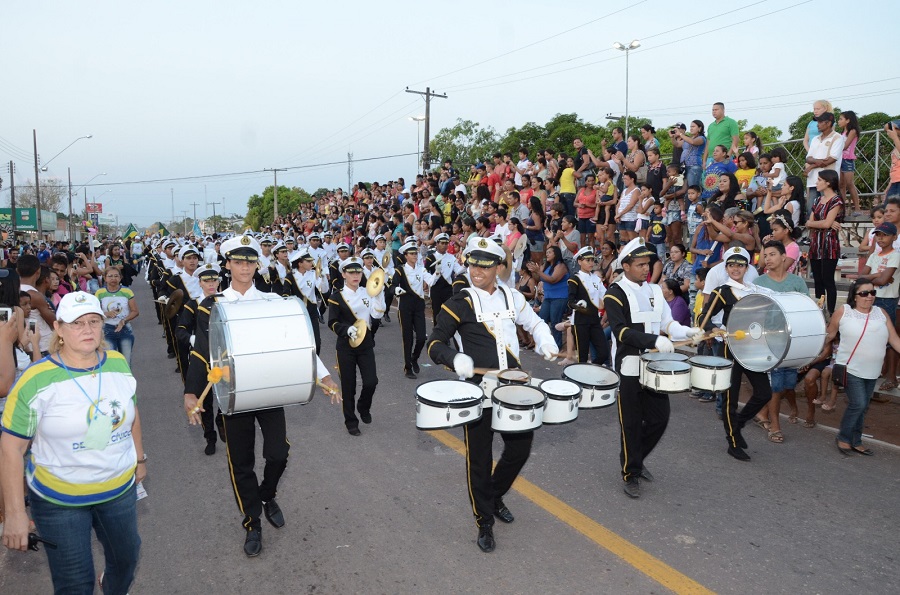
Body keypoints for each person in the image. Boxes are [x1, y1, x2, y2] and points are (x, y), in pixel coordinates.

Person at [183, 235, 339, 557]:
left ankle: (267, 494)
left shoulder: (271, 300)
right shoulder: (211, 305)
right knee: (242, 462)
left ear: (257, 264)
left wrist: (321, 373)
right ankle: (252, 522)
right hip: (231, 395)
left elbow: (293, 341)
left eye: (250, 261)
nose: (244, 267)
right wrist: (191, 392)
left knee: (278, 454)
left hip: (268, 390)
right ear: (227, 264)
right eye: (238, 261)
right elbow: (201, 355)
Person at [1, 291, 145, 594]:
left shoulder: (117, 363)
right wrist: (15, 513)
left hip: (118, 490)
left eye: (94, 321)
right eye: (77, 323)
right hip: (59, 501)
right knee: (75, 584)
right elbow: (11, 448)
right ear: (59, 329)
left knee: (127, 560)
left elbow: (131, 411)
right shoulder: (35, 379)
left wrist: (140, 458)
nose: (88, 329)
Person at [426, 235, 557, 553]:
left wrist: (546, 340)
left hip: (512, 389)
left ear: (499, 267)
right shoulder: (460, 302)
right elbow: (435, 343)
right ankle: (484, 521)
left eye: (484, 266)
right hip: (477, 393)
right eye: (472, 264)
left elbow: (536, 323)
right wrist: (453, 358)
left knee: (520, 449)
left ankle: (494, 495)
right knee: (479, 460)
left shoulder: (513, 298)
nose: (476, 271)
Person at [603, 238, 702, 498]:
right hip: (629, 366)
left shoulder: (656, 291)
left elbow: (668, 323)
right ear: (625, 266)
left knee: (660, 418)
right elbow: (621, 332)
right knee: (632, 424)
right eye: (639, 265)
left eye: (647, 263)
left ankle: (636, 457)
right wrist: (653, 340)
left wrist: (689, 331)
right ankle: (630, 472)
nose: (645, 269)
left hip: (655, 366)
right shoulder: (614, 293)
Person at [698, 247, 773, 461]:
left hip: (751, 348)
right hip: (730, 348)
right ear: (726, 267)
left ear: (746, 267)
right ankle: (733, 440)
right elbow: (704, 317)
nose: (735, 269)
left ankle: (739, 422)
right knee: (730, 397)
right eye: (731, 265)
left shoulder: (754, 290)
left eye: (740, 265)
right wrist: (713, 329)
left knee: (764, 392)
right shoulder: (722, 291)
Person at [824, 279, 900, 456]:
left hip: (872, 370)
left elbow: (894, 339)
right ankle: (843, 437)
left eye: (872, 293)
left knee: (863, 406)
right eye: (864, 293)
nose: (869, 297)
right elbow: (829, 335)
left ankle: (856, 441)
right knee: (858, 404)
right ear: (855, 296)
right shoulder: (844, 311)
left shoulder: (881, 313)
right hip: (850, 368)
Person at [751, 241, 811, 444]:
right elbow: (754, 315)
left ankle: (761, 412)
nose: (767, 258)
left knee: (788, 385)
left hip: (793, 342)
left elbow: (806, 312)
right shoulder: (758, 283)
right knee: (776, 387)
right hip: (769, 341)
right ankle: (775, 426)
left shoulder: (797, 283)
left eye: (772, 254)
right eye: (765, 255)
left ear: (784, 257)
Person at [327, 256, 385, 436]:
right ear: (343, 274)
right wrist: (346, 330)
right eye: (351, 272)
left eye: (358, 271)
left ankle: (363, 406)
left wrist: (379, 293)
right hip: (345, 346)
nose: (355, 275)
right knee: (349, 385)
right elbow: (332, 322)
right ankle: (351, 420)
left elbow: (376, 316)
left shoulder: (367, 292)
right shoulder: (337, 297)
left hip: (365, 344)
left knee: (371, 381)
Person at [175, 262, 224, 455]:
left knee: (228, 392)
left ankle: (222, 419)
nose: (211, 284)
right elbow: (180, 331)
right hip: (202, 359)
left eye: (214, 280)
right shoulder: (193, 304)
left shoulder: (225, 301)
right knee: (205, 401)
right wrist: (195, 339)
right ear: (200, 283)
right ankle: (210, 437)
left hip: (223, 357)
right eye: (207, 281)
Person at [392, 241, 438, 379]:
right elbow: (392, 285)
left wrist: (438, 272)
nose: (415, 256)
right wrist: (396, 289)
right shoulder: (400, 270)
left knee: (421, 337)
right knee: (407, 338)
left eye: (416, 253)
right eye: (412, 254)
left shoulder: (421, 269)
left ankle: (414, 358)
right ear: (406, 255)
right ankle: (407, 367)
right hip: (405, 307)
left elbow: (431, 282)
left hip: (418, 306)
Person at [806, 169, 844, 314]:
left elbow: (824, 224)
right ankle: (820, 309)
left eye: (820, 180)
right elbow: (810, 222)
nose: (817, 182)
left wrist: (821, 223)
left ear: (828, 182)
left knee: (828, 280)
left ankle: (831, 312)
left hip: (829, 245)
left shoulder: (836, 200)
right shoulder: (817, 200)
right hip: (816, 244)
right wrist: (823, 223)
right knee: (817, 280)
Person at [566, 247, 610, 364]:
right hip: (580, 321)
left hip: (594, 320)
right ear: (580, 262)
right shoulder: (575, 279)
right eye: (587, 260)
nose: (591, 263)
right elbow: (570, 301)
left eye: (592, 260)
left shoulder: (596, 279)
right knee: (582, 356)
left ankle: (592, 370)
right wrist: (577, 306)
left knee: (603, 353)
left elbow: (605, 296)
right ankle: (581, 379)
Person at [95, 267, 140, 366]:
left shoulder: (127, 291)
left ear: (120, 278)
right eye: (110, 276)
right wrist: (105, 313)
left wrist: (124, 320)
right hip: (107, 330)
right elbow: (95, 313)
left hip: (125, 329)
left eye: (116, 276)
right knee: (110, 363)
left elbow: (135, 311)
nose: (113, 278)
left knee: (125, 363)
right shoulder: (99, 293)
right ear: (105, 278)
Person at [527, 246, 569, 347]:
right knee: (542, 319)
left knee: (555, 321)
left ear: (556, 254)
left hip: (559, 297)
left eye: (550, 252)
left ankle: (557, 346)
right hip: (548, 297)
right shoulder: (546, 266)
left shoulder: (561, 266)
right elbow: (539, 278)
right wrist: (533, 271)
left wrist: (538, 271)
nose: (547, 254)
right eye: (547, 252)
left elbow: (553, 279)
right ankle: (545, 343)